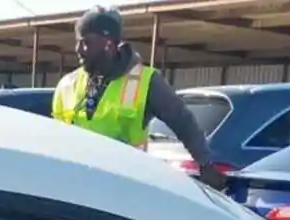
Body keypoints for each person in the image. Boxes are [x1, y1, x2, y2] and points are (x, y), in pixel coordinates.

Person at [51, 7, 227, 188]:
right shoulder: (67, 84)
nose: (78, 50)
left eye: (86, 43)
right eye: (78, 42)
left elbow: (182, 120)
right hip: (73, 187)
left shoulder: (146, 81)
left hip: (122, 189)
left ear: (109, 44)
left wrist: (205, 164)